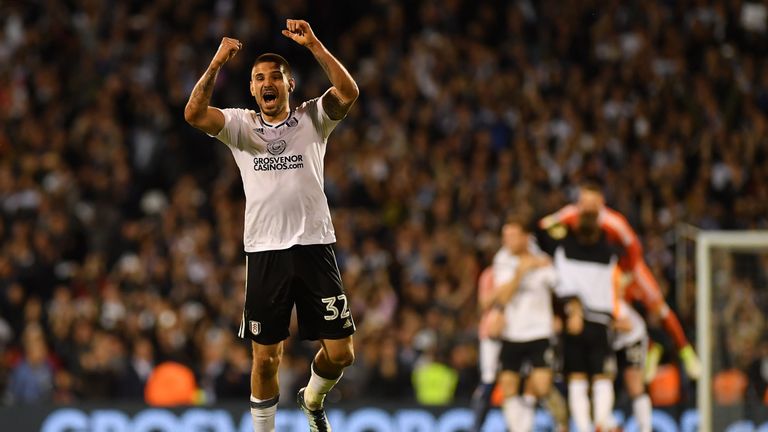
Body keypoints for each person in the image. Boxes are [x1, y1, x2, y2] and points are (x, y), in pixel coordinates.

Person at [184, 19, 359, 432]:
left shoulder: (313, 118)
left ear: (289, 84)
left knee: (342, 353)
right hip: (266, 252)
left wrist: (315, 43)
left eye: (275, 77)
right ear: (250, 88)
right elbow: (193, 114)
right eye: (258, 77)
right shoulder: (241, 125)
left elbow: (349, 93)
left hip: (316, 246)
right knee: (266, 358)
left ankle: (312, 399)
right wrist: (216, 64)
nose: (267, 83)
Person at [540, 184, 701, 380]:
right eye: (582, 202)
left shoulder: (614, 223)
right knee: (616, 314)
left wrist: (626, 276)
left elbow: (633, 250)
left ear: (601, 202)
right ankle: (650, 346)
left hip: (627, 270)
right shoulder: (571, 214)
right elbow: (544, 226)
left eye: (590, 203)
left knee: (658, 308)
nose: (586, 207)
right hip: (596, 273)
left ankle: (685, 350)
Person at [536, 190, 629, 432]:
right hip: (600, 321)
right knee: (601, 376)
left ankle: (587, 427)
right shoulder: (610, 251)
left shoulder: (562, 246)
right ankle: (602, 421)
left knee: (577, 377)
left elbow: (543, 227)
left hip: (574, 319)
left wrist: (571, 210)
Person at [489, 216, 558, 432]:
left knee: (541, 385)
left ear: (526, 238)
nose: (506, 240)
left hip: (539, 331)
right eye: (504, 235)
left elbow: (557, 286)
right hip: (512, 332)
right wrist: (521, 271)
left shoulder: (543, 259)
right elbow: (502, 297)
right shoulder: (502, 259)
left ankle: (551, 421)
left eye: (511, 235)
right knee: (508, 385)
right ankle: (520, 429)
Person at [613, 298, 653, 432]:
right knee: (603, 383)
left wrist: (605, 324)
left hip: (632, 337)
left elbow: (627, 325)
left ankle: (645, 429)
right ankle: (609, 425)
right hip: (612, 343)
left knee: (634, 383)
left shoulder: (609, 299)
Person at [470, 266, 500, 432]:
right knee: (488, 379)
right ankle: (475, 427)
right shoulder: (490, 274)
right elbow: (484, 303)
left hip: (520, 333)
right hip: (491, 335)